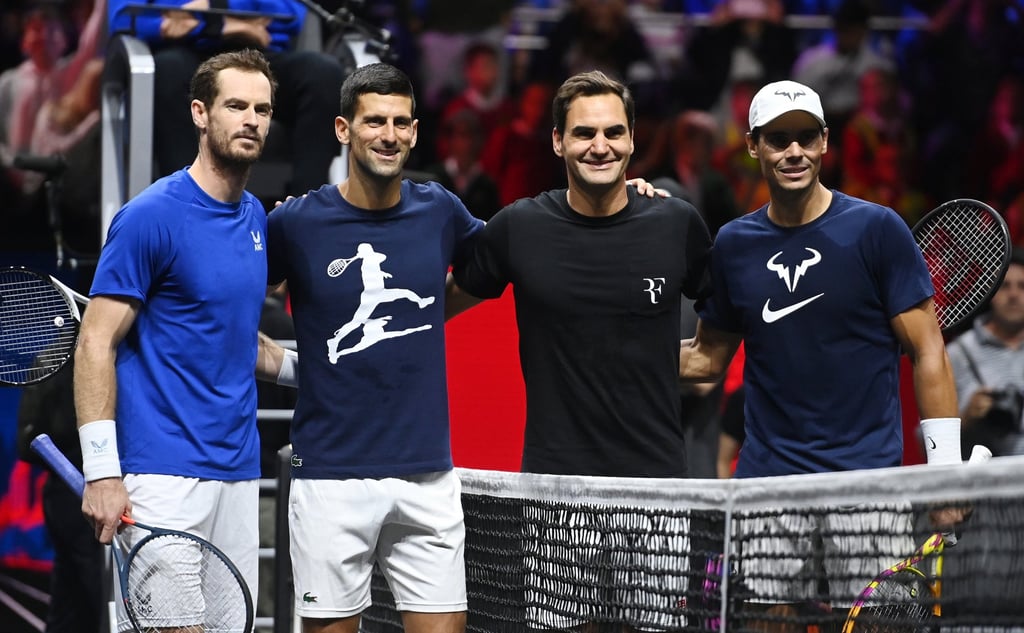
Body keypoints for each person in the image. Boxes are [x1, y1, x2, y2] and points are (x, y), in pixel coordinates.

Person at [678, 79, 968, 631]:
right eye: (778, 139)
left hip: (867, 481)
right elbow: (706, 360)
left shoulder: (876, 229)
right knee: (766, 622)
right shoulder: (733, 245)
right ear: (752, 145)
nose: (793, 152)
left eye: (805, 138)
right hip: (768, 481)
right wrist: (614, 355)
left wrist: (946, 475)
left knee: (873, 625)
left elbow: (929, 350)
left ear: (824, 143)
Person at [448, 70, 713, 631]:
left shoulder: (675, 222)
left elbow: (729, 314)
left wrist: (703, 361)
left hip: (658, 489)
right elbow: (434, 306)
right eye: (585, 133)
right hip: (554, 490)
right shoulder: (519, 227)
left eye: (614, 132)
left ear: (634, 139)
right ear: (557, 141)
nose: (600, 146)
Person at [73, 49, 294, 629]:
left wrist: (320, 371)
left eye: (262, 109)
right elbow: (95, 342)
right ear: (201, 113)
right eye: (236, 105)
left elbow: (235, 342)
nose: (251, 119)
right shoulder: (149, 217)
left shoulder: (254, 221)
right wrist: (102, 472)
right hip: (161, 477)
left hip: (239, 474)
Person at [265, 62, 483, 633]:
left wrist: (627, 197)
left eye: (401, 122)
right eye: (374, 121)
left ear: (414, 132)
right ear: (343, 129)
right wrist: (289, 367)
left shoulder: (440, 210)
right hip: (331, 479)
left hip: (428, 477)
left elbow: (510, 252)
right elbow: (223, 305)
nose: (389, 134)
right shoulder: (294, 222)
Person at [107, 0, 345, 196]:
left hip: (255, 56)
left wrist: (210, 9)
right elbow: (124, 18)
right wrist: (226, 24)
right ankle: (187, 203)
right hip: (182, 55)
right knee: (168, 71)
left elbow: (290, 15)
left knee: (321, 73)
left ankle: (307, 211)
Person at [947, 248, 1024, 458]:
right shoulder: (957, 354)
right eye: (1005, 286)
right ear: (990, 292)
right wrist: (966, 419)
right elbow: (925, 442)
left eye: (1022, 286)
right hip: (985, 484)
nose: (1014, 295)